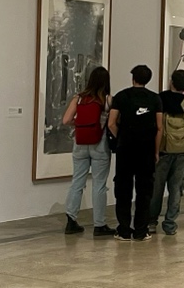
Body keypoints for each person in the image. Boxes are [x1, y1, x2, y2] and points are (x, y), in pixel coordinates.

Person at [108, 65, 163, 241]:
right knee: (144, 190)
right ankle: (141, 230)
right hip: (146, 149)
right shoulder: (155, 99)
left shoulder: (121, 96)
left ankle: (124, 230)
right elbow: (159, 127)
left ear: (133, 77)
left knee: (123, 189)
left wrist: (121, 137)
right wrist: (156, 151)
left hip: (125, 149)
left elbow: (111, 123)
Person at [62, 66, 115, 236]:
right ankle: (99, 225)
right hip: (100, 145)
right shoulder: (107, 100)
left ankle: (71, 220)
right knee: (99, 185)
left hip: (80, 144)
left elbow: (66, 120)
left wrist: (79, 124)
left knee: (77, 182)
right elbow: (113, 122)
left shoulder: (78, 98)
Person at [149, 69, 184, 235]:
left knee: (156, 189)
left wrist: (155, 150)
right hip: (181, 153)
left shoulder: (159, 99)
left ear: (171, 81)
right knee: (176, 189)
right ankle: (170, 224)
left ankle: (151, 222)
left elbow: (156, 127)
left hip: (162, 151)